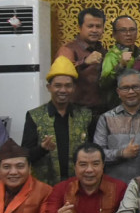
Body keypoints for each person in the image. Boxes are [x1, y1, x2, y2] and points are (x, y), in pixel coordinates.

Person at [22, 56, 93, 184]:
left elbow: (94, 150)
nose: (63, 90)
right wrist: (42, 149)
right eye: (58, 86)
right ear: (49, 87)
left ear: (74, 88)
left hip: (79, 185)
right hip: (45, 187)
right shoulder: (34, 116)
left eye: (68, 86)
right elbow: (25, 156)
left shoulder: (85, 115)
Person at [92, 69, 140, 182]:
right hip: (115, 188)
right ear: (118, 92)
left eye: (136, 87)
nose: (131, 92)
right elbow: (96, 155)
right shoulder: (106, 118)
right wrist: (121, 153)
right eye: (125, 88)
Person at [56, 6, 106, 115]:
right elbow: (62, 77)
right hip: (75, 111)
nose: (94, 30)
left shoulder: (103, 51)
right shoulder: (68, 49)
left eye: (98, 26)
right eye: (90, 26)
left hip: (100, 112)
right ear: (79, 27)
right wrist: (85, 62)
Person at [99, 15, 140, 109]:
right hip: (117, 107)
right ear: (114, 34)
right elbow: (104, 83)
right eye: (123, 30)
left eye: (132, 30)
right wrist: (121, 65)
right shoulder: (112, 56)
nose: (128, 34)